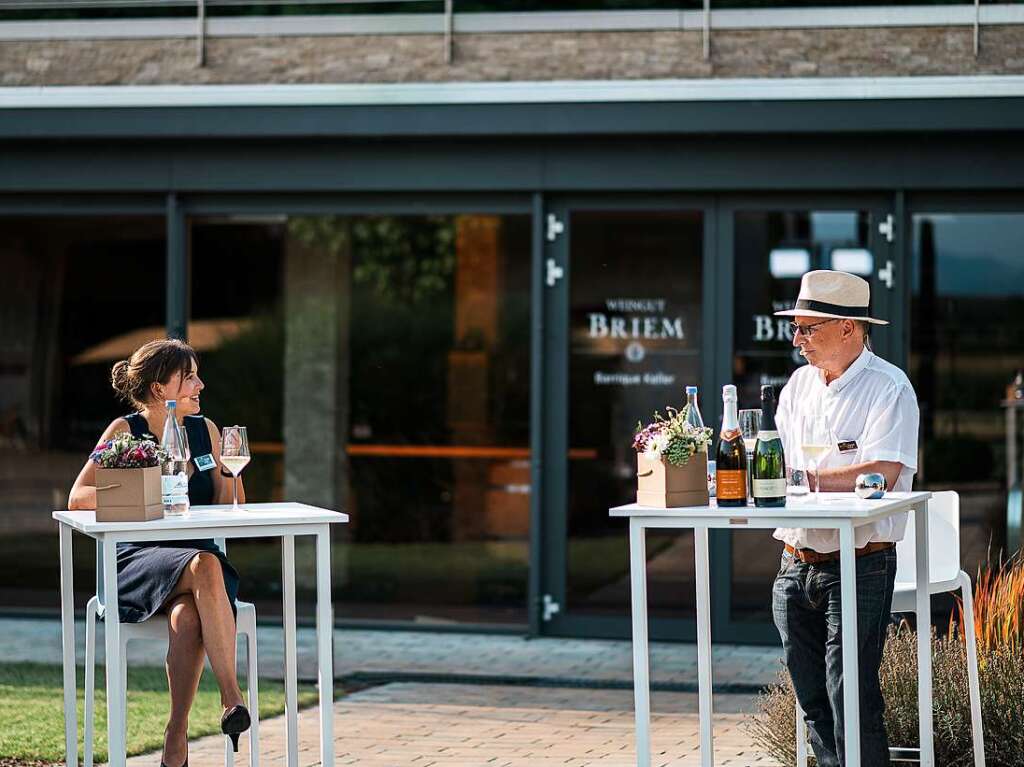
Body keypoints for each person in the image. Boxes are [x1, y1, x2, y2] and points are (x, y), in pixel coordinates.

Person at [69, 338, 251, 767]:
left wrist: (231, 470)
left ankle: (176, 737)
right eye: (188, 377)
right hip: (139, 559)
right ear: (158, 389)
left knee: (188, 619)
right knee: (206, 563)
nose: (200, 385)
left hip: (196, 564)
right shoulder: (123, 432)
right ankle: (231, 696)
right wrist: (140, 492)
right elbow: (79, 496)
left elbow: (229, 506)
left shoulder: (205, 431)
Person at [772, 270, 920, 767]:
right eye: (796, 327)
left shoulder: (889, 387)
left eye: (808, 327)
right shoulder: (797, 387)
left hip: (860, 562)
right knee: (814, 702)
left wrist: (810, 480)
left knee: (851, 700)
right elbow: (783, 469)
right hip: (795, 559)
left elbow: (883, 469)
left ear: (848, 329)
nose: (797, 338)